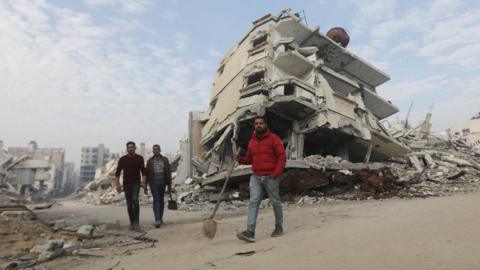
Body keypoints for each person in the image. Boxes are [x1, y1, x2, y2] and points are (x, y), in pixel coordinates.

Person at [236, 115, 286, 242]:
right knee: (253, 203)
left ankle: (279, 228)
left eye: (261, 123)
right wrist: (239, 159)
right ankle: (250, 232)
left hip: (271, 176)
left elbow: (282, 156)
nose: (258, 125)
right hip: (256, 177)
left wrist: (276, 173)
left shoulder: (274, 139)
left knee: (275, 202)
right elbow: (249, 159)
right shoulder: (252, 142)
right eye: (256, 123)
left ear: (265, 125)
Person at [115, 141, 146, 231]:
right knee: (129, 205)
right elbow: (117, 173)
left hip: (136, 183)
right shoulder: (122, 159)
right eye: (129, 147)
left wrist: (144, 182)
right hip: (126, 184)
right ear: (127, 149)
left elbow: (143, 172)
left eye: (132, 147)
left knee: (135, 201)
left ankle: (136, 223)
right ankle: (132, 222)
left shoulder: (139, 158)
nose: (130, 148)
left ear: (135, 148)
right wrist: (118, 185)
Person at [145, 144, 172, 228]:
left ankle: (160, 217)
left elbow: (168, 173)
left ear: (160, 150)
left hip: (163, 183)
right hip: (153, 183)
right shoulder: (150, 161)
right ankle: (157, 219)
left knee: (161, 200)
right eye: (154, 149)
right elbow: (146, 174)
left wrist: (169, 185)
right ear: (153, 151)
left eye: (157, 149)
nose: (156, 150)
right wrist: (145, 185)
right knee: (156, 200)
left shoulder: (165, 160)